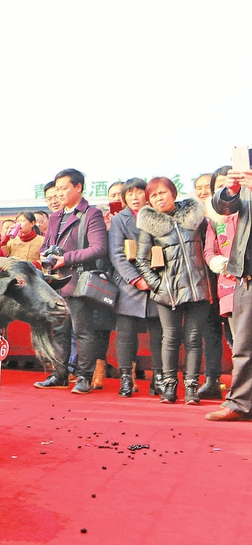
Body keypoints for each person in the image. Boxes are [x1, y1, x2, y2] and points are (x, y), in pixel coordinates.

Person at [134, 177, 212, 405]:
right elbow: (141, 259)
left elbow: (209, 247)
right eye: (154, 195)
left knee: (194, 339)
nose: (159, 198)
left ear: (174, 193)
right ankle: (169, 387)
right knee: (170, 339)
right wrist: (158, 285)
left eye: (163, 193)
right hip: (167, 293)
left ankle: (192, 389)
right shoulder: (149, 224)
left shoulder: (195, 217)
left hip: (198, 288)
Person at [34, 168, 107, 394]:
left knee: (83, 331)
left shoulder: (91, 214)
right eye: (57, 190)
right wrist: (45, 256)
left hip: (78, 280)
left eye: (64, 189)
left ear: (79, 187)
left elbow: (99, 248)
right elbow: (46, 245)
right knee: (59, 331)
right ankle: (59, 374)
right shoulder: (56, 216)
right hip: (56, 283)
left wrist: (65, 258)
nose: (59, 194)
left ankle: (83, 376)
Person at [206, 163, 252, 420]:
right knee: (244, 345)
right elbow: (220, 209)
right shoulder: (244, 186)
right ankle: (240, 404)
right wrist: (231, 189)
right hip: (244, 275)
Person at [109, 178, 162, 397]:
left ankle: (159, 378)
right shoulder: (119, 220)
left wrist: (153, 279)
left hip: (158, 282)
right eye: (129, 194)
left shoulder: (158, 215)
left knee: (160, 334)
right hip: (129, 284)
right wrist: (135, 279)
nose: (134, 197)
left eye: (138, 192)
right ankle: (126, 379)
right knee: (126, 335)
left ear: (147, 194)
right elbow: (117, 255)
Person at [200, 167, 233, 400]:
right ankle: (213, 381)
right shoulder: (209, 217)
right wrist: (214, 260)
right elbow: (208, 249)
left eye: (227, 183)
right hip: (213, 285)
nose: (222, 189)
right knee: (215, 334)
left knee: (237, 337)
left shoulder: (243, 211)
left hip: (237, 283)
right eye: (218, 185)